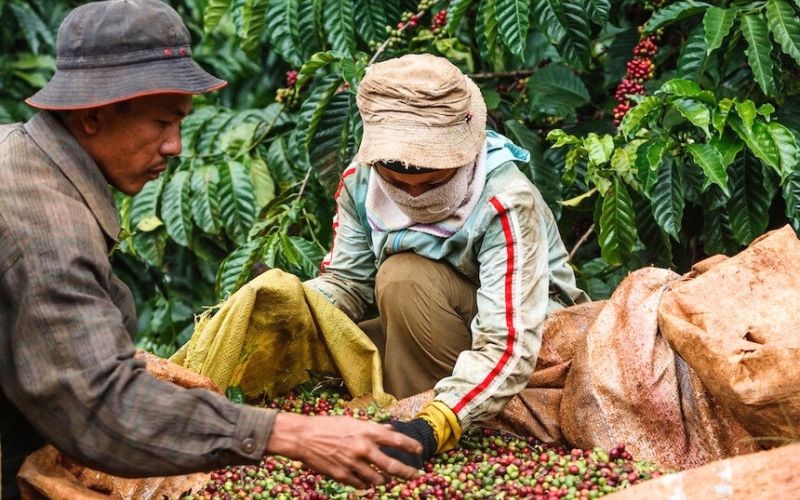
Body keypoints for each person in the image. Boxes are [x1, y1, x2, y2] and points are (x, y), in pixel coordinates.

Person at [0, 1, 422, 498]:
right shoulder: (47, 226)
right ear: (93, 115)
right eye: (162, 123)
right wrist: (292, 433)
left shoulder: (19, 152)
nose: (175, 145)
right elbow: (101, 409)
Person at [304, 53, 590, 467]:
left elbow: (508, 339)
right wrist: (292, 305)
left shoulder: (506, 200)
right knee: (318, 338)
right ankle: (411, 418)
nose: (414, 197)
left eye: (432, 183)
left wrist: (434, 423)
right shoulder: (361, 182)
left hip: (528, 351)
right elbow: (347, 282)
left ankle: (431, 426)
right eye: (398, 184)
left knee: (405, 278)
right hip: (431, 329)